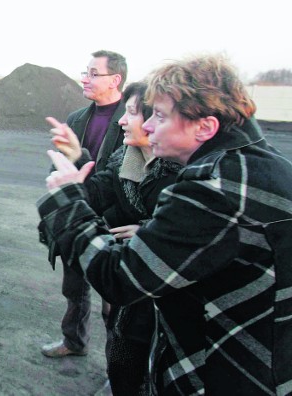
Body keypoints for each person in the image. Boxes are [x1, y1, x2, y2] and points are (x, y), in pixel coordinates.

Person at [37, 54, 292, 395]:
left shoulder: (213, 187)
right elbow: (104, 191)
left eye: (159, 115)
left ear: (205, 126)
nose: (147, 125)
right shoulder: (258, 163)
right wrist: (79, 167)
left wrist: (67, 203)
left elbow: (121, 277)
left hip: (228, 375)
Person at [47, 82, 182, 395]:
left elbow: (182, 229)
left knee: (158, 350)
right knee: (122, 337)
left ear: (155, 121)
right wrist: (77, 158)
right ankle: (119, 381)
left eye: (132, 113)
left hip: (160, 282)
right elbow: (98, 192)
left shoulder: (182, 173)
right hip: (127, 272)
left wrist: (149, 231)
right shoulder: (125, 157)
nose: (122, 119)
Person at [42, 50, 127, 359]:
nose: (85, 78)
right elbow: (59, 165)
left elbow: (125, 179)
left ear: (115, 79)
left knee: (114, 305)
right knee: (74, 290)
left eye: (94, 73)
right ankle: (73, 341)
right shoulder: (77, 118)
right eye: (85, 71)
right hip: (76, 218)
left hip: (111, 223)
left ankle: (116, 371)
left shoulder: (130, 120)